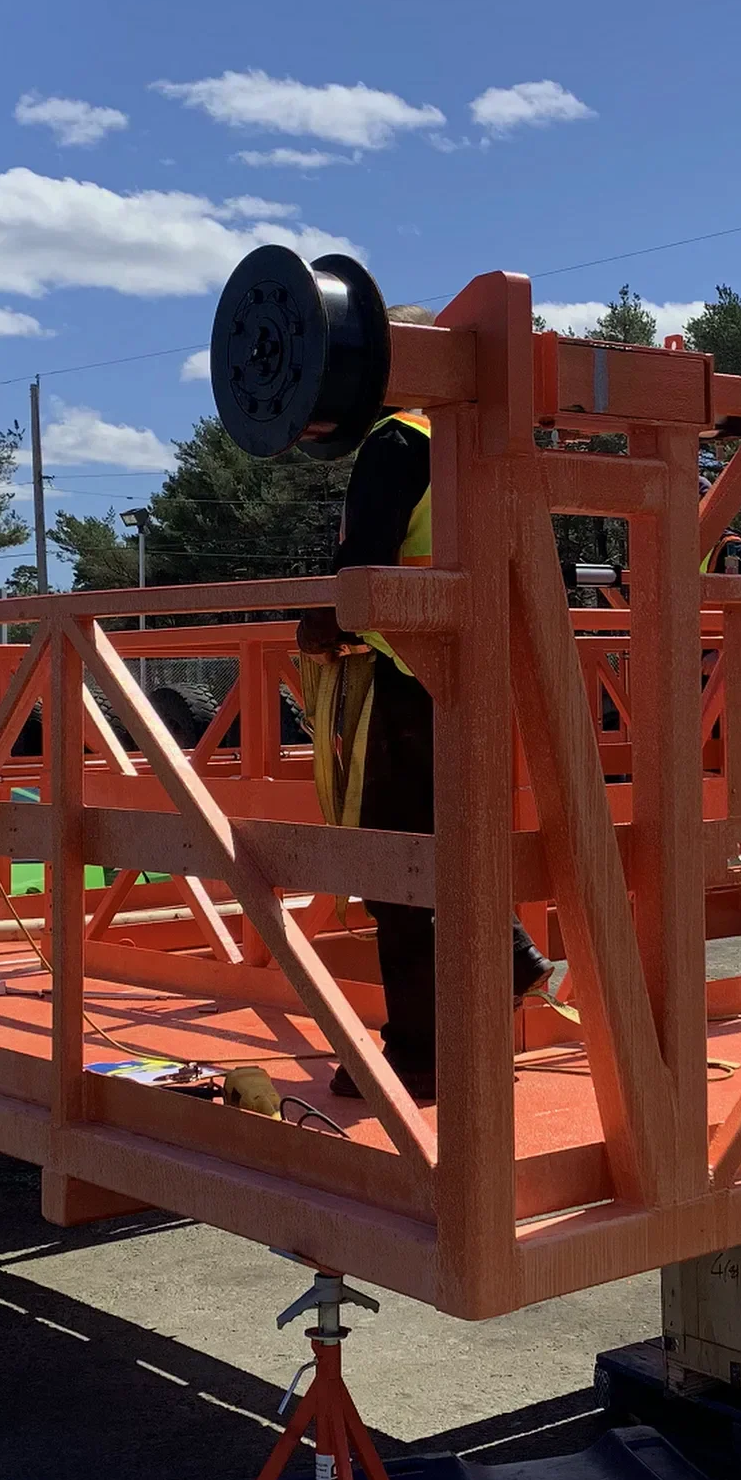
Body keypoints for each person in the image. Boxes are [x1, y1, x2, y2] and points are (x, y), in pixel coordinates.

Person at [296, 307, 550, 1103]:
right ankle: (509, 961)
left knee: (401, 872)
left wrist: (322, 627)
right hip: (485, 664)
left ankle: (419, 1056)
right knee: (456, 843)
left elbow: (365, 573)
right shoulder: (483, 440)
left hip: (412, 670)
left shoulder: (398, 440)